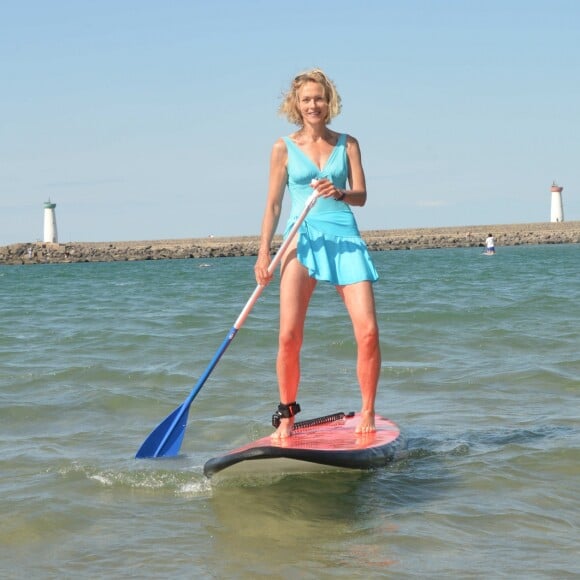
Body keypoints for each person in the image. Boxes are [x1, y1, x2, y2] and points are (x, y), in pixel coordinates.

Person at [254, 69, 381, 439]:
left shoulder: (348, 144)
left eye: (319, 98)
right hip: (300, 238)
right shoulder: (283, 147)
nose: (314, 105)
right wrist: (263, 253)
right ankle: (288, 414)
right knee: (288, 336)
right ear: (296, 104)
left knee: (369, 332)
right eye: (307, 99)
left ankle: (369, 410)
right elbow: (274, 205)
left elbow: (362, 196)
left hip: (344, 238)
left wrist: (339, 192)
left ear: (330, 102)